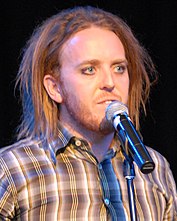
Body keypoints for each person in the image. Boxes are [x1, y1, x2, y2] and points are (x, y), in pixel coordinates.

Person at [0, 5, 176, 221]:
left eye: (119, 68)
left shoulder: (155, 168)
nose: (110, 83)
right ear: (55, 87)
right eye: (89, 70)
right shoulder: (12, 170)